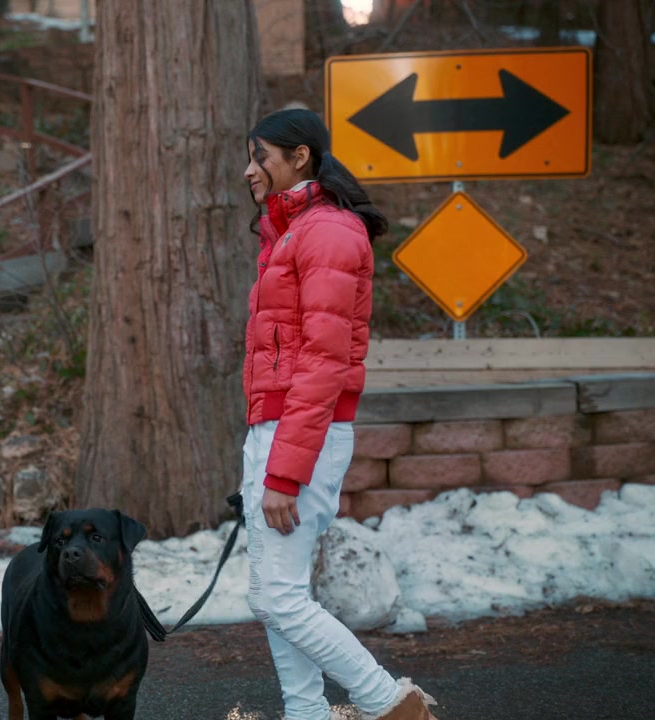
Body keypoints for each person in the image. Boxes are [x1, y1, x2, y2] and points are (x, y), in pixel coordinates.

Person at [238, 108, 440, 720]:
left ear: (299, 157)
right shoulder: (294, 231)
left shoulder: (327, 232)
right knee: (278, 593)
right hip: (279, 427)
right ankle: (306, 713)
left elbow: (323, 364)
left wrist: (282, 471)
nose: (249, 170)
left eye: (260, 157)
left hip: (300, 432)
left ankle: (389, 702)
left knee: (276, 597)